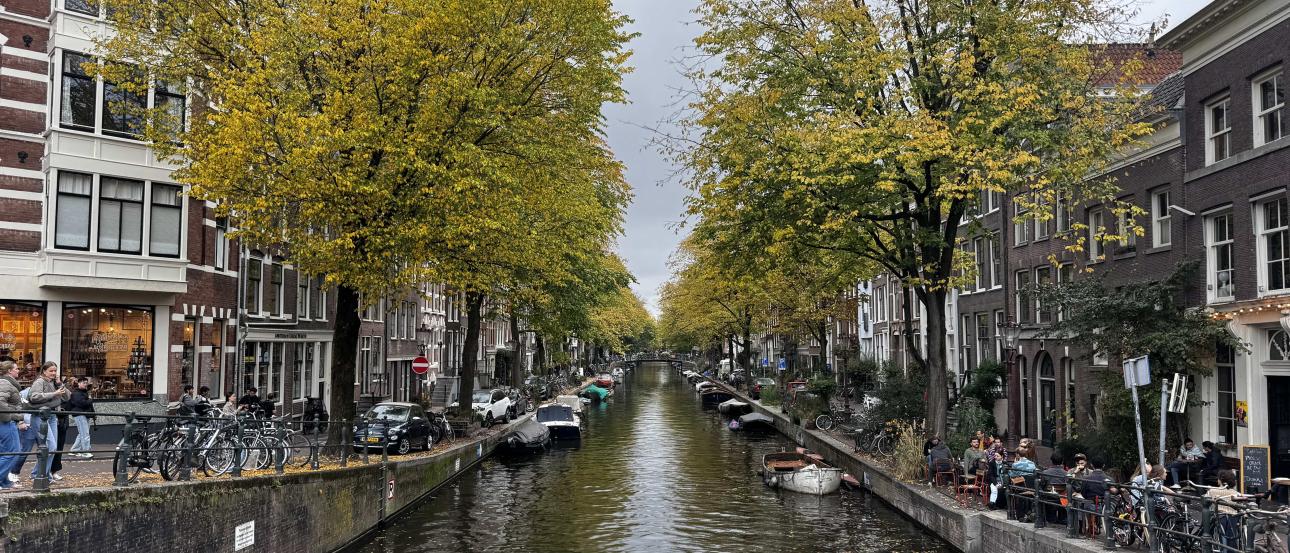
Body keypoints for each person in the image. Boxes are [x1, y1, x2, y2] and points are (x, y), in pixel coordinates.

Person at [26, 362, 68, 481]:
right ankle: (37, 474)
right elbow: (34, 397)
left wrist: (60, 384)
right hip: (41, 416)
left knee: (52, 448)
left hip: (52, 416)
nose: (54, 373)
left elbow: (68, 397)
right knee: (50, 445)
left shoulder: (54, 383)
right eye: (51, 371)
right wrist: (54, 394)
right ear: (44, 371)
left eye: (55, 371)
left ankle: (44, 474)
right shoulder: (40, 382)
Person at [0, 361, 28, 489]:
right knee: (13, 452)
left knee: (6, 452)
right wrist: (11, 417)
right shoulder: (5, 383)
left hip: (8, 421)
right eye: (16, 369)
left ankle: (4, 481)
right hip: (6, 422)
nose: (18, 370)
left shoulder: (6, 383)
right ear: (9, 371)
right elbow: (0, 402)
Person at [66, 378, 94, 458]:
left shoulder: (81, 392)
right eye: (83, 383)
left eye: (86, 383)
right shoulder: (76, 393)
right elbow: (82, 403)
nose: (85, 384)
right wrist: (90, 400)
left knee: (82, 433)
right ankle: (85, 451)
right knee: (85, 433)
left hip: (82, 414)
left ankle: (74, 450)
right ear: (79, 383)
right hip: (80, 414)